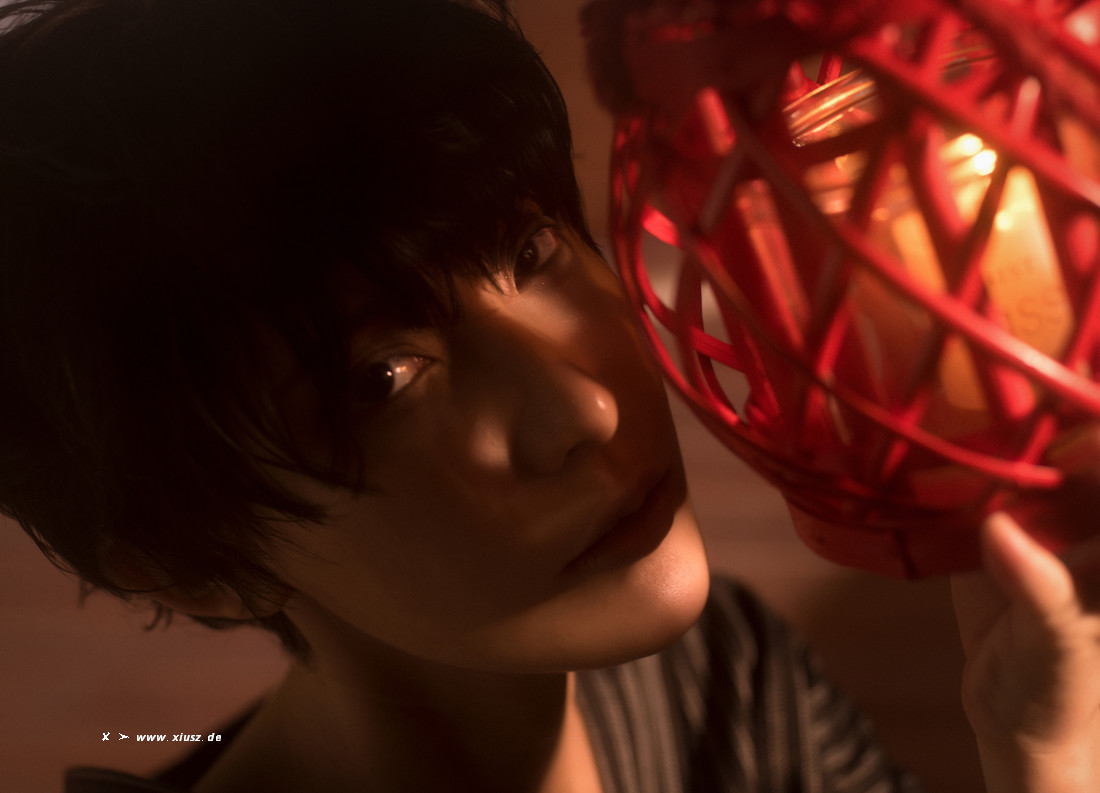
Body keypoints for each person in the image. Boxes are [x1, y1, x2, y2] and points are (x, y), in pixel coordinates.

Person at [0, 0, 1096, 791]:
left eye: (529, 250)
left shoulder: (715, 681)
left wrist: (1044, 756)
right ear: (192, 561)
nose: (585, 411)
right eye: (382, 378)